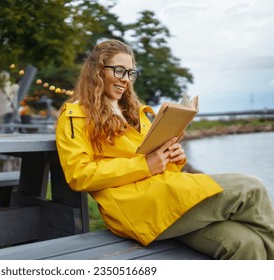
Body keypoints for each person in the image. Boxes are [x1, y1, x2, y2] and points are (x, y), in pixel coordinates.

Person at [55, 39, 274, 260]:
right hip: (137, 208)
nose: (125, 79)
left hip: (164, 199)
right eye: (119, 70)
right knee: (250, 188)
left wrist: (174, 158)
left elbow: (155, 161)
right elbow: (79, 175)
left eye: (130, 73)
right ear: (97, 71)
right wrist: (145, 165)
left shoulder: (134, 112)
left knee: (247, 244)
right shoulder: (75, 115)